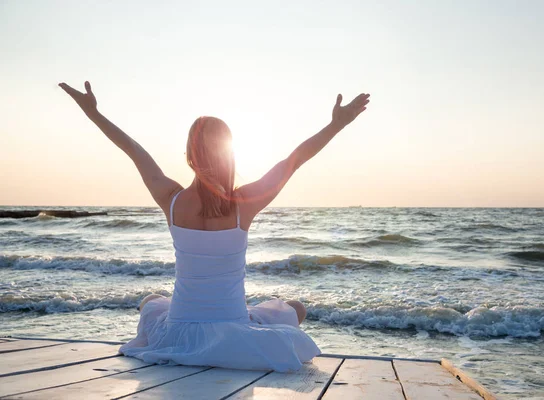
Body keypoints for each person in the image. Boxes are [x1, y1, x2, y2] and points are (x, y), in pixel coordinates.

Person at [59, 81, 370, 372]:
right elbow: (294, 160)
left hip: (177, 332)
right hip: (235, 330)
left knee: (151, 302)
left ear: (189, 157)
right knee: (296, 308)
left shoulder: (171, 199)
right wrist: (336, 125)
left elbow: (133, 150)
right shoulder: (244, 203)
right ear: (229, 155)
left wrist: (93, 113)